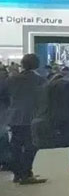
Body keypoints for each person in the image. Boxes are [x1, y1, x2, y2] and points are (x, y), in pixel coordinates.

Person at [6, 53, 47, 184]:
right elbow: (43, 98)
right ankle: (26, 172)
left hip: (14, 116)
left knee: (15, 145)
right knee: (32, 145)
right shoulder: (40, 80)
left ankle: (17, 173)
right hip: (31, 116)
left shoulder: (12, 79)